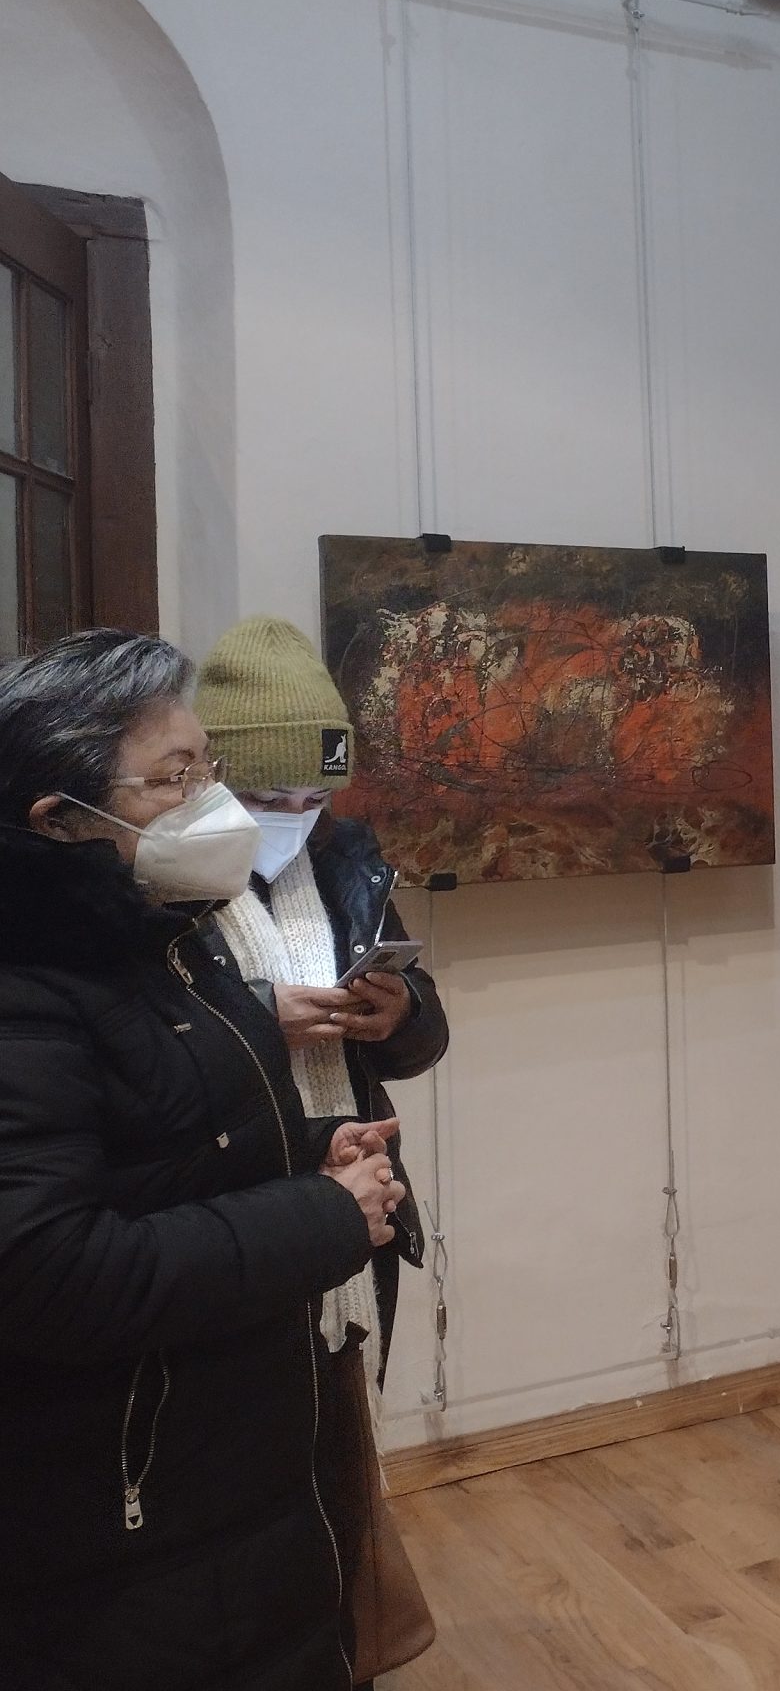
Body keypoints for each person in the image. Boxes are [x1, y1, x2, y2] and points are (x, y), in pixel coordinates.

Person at [0, 628, 404, 1691]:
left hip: (230, 1461)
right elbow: (47, 1270)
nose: (216, 805)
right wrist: (324, 1213)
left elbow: (175, 1142)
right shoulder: (33, 986)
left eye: (208, 767)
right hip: (126, 1511)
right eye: (176, 777)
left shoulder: (158, 933)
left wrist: (310, 1144)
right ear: (57, 819)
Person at [197, 617, 451, 1390]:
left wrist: (399, 1012)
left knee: (347, 1409)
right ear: (208, 780)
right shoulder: (165, 880)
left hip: (359, 1184)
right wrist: (257, 1019)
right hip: (230, 1202)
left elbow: (425, 1028)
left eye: (314, 797)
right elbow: (148, 1044)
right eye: (267, 797)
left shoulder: (344, 862)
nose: (293, 817)